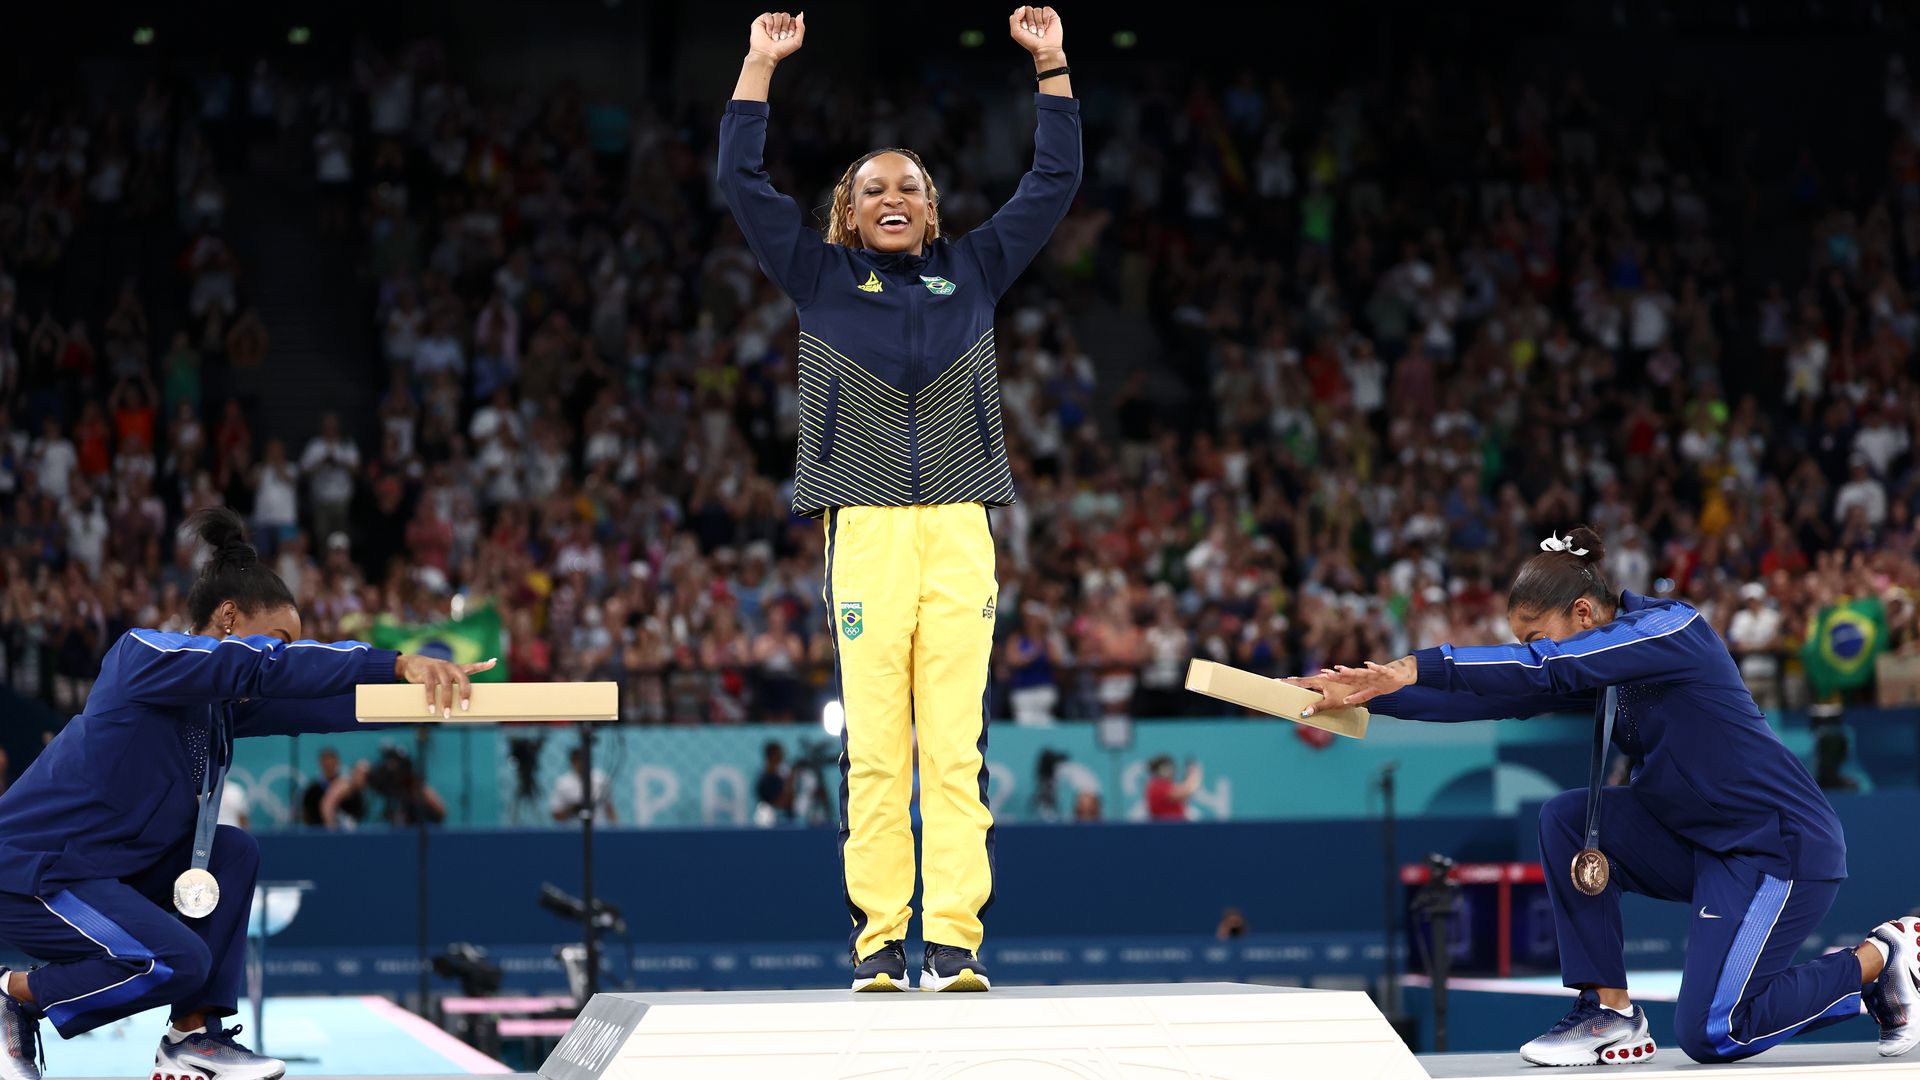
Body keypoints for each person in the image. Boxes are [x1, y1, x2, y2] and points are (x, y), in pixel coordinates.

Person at [718, 7, 1080, 994]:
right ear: (846, 212)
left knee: (953, 750)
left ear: (931, 211)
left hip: (961, 528)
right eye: (872, 187)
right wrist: (757, 66)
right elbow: (741, 186)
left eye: (909, 188)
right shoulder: (818, 278)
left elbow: (1053, 182)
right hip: (865, 531)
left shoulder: (975, 272)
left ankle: (955, 943)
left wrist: (1050, 65)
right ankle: (881, 944)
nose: (892, 196)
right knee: (878, 750)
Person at [1291, 526, 1918, 1065]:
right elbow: (1494, 693)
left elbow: (1543, 668)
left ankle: (1880, 959)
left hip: (1777, 848)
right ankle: (1609, 1013)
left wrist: (1415, 664)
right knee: (1565, 817)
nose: (1533, 651)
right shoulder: (1589, 663)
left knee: (1714, 1030)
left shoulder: (1673, 628)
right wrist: (1368, 692)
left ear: (1585, 615)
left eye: (1538, 636)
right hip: (1697, 841)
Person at [0, 508, 492, 1080]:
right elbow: (269, 669)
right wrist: (397, 660)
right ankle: (13, 995)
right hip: (30, 873)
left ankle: (191, 1038)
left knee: (234, 852)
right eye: (279, 639)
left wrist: (424, 695)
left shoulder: (219, 709)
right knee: (177, 959)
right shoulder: (142, 656)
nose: (282, 654)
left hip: (96, 875)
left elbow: (325, 707)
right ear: (228, 616)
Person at [549, 747, 615, 825]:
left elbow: (609, 808)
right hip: (572, 830)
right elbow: (556, 815)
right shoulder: (563, 783)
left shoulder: (600, 780)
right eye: (578, 760)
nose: (582, 763)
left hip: (598, 828)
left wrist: (615, 827)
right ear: (572, 761)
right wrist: (573, 809)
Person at [1143, 755, 1201, 821]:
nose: (1174, 770)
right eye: (1170, 767)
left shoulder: (1165, 785)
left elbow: (1184, 796)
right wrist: (1193, 774)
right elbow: (1187, 791)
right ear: (1162, 769)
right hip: (1166, 827)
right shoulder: (1157, 785)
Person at [301, 746, 345, 827]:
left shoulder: (347, 787)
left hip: (343, 833)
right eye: (325, 761)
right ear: (320, 763)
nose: (328, 765)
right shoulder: (312, 789)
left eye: (331, 761)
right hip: (318, 833)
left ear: (337, 762)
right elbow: (306, 814)